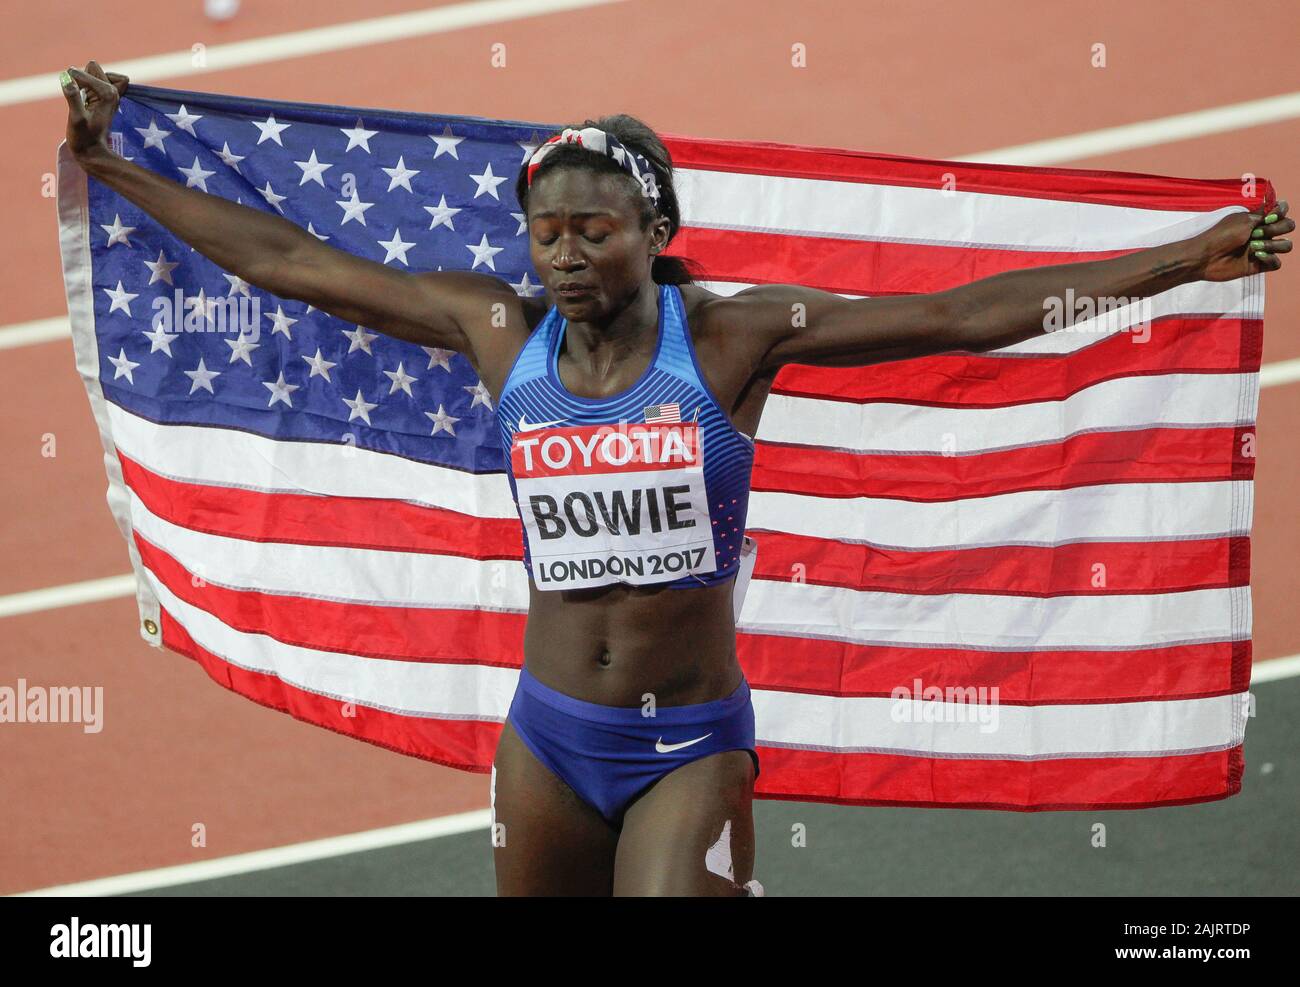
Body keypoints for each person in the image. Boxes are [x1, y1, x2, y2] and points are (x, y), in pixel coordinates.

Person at [61, 61, 1292, 897]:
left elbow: (961, 316)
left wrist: (1184, 258)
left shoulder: (731, 340)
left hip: (686, 742)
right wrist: (110, 163)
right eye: (547, 231)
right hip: (545, 738)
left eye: (595, 230)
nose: (566, 252)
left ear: (653, 233)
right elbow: (290, 258)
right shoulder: (498, 329)